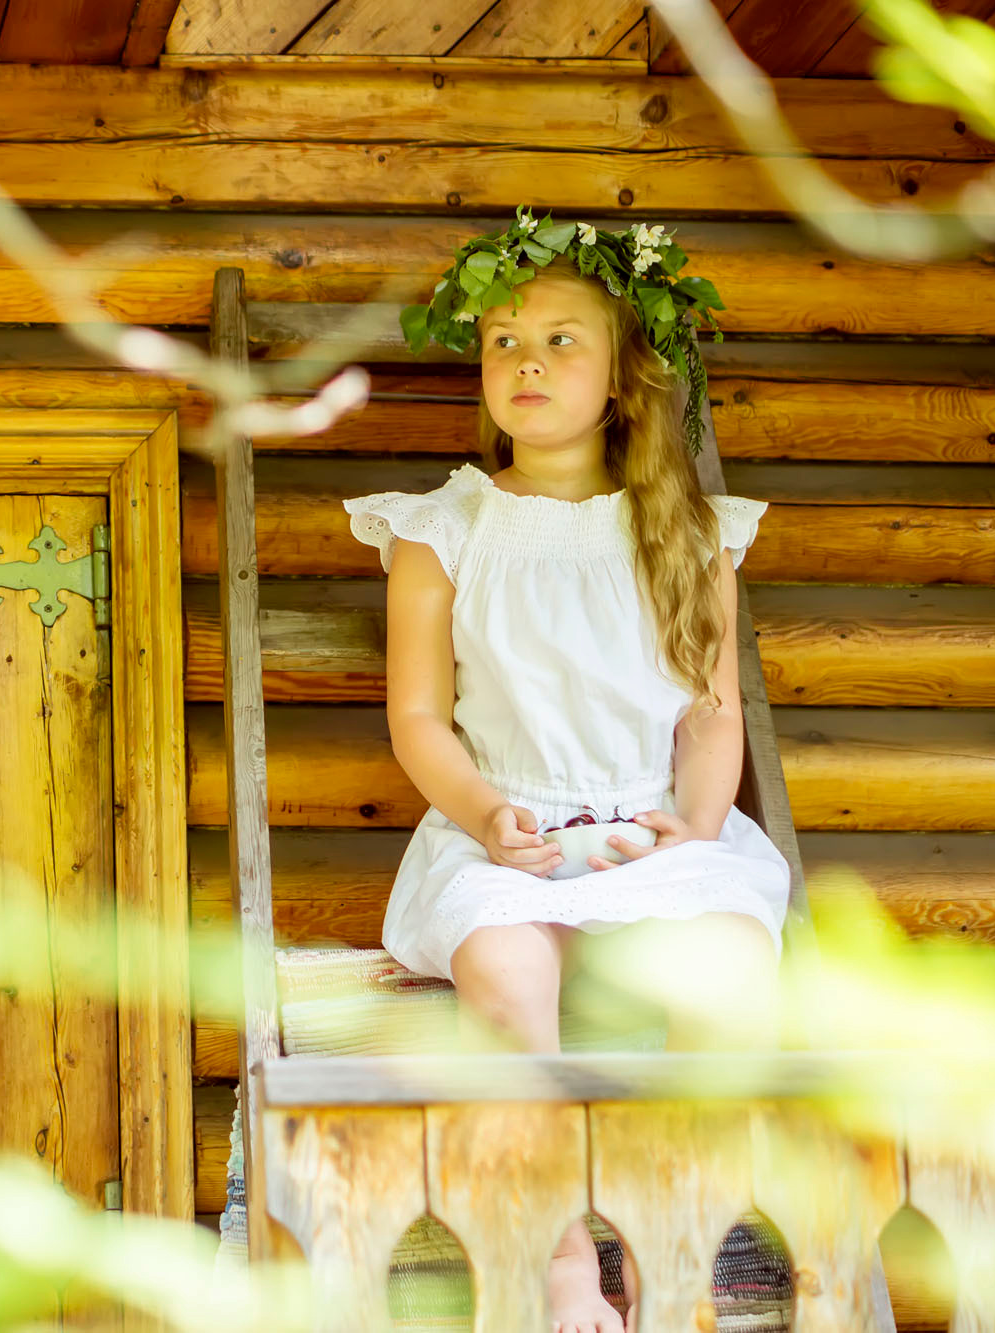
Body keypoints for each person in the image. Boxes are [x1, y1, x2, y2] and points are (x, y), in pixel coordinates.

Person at [344, 211, 792, 1333]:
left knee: (724, 965)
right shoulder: (442, 528)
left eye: (558, 342)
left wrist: (694, 827)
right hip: (503, 826)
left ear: (621, 377)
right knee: (504, 971)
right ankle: (553, 1256)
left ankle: (666, 1233)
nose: (524, 363)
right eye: (501, 341)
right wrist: (491, 816)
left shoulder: (685, 528)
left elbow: (707, 713)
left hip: (656, 829)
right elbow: (415, 718)